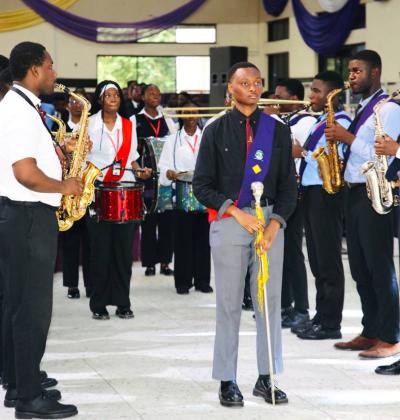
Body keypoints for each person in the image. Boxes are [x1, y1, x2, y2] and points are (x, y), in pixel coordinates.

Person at [193, 62, 297, 407]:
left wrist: (274, 223)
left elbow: (288, 187)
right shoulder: (215, 130)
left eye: (257, 82)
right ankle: (227, 379)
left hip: (269, 222)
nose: (253, 88)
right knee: (228, 304)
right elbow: (201, 185)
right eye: (244, 83)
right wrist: (234, 211)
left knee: (269, 303)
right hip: (230, 219)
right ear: (230, 90)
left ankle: (267, 377)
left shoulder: (277, 131)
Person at [0, 41, 81, 418]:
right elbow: (25, 174)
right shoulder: (17, 110)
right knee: (33, 310)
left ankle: (19, 384)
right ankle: (29, 399)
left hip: (21, 216)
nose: (54, 73)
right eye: (50, 66)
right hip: (28, 215)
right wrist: (66, 186)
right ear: (34, 69)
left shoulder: (22, 107)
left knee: (19, 306)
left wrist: (59, 151)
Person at [325, 50, 400, 359]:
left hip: (376, 193)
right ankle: (371, 330)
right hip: (354, 192)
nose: (351, 76)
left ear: (375, 72)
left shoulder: (390, 109)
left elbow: (387, 156)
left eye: (357, 70)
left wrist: (346, 138)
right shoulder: (363, 108)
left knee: (379, 267)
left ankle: (391, 336)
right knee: (359, 267)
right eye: (350, 71)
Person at [291, 71, 351, 340]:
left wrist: (301, 153)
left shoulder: (342, 121)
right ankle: (321, 315)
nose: (311, 95)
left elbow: (337, 157)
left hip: (328, 195)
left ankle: (331, 323)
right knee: (316, 259)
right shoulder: (320, 121)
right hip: (313, 193)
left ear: (331, 94)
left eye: (316, 90)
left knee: (327, 261)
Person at [86, 80, 152, 320]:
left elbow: (132, 158)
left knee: (123, 252)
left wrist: (139, 170)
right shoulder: (89, 123)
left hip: (124, 193)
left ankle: (123, 302)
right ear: (100, 99)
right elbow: (81, 157)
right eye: (108, 95)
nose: (113, 98)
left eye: (116, 94)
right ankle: (99, 304)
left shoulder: (128, 125)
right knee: (100, 252)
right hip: (98, 192)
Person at [274, 78, 316, 329]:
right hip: (281, 193)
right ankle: (285, 305)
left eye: (279, 97)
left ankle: (301, 307)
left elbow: (291, 149)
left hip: (297, 194)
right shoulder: (285, 121)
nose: (274, 102)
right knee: (282, 253)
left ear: (292, 100)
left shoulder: (307, 122)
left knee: (293, 253)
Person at [159, 102, 212, 295]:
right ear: (181, 115)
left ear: (199, 115)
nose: (191, 116)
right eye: (186, 112)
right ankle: (182, 282)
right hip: (182, 193)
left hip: (203, 193)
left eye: (195, 112)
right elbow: (163, 166)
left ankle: (203, 281)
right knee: (182, 240)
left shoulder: (207, 137)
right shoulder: (173, 140)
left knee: (203, 239)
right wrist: (169, 172)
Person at [133, 84, 176, 277]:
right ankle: (149, 263)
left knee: (167, 222)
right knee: (148, 222)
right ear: (143, 97)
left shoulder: (168, 119)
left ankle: (166, 262)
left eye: (158, 94)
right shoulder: (135, 120)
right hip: (146, 178)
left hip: (166, 178)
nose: (155, 96)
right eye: (151, 93)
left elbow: (175, 144)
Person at [60, 89, 92, 299]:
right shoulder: (59, 127)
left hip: (86, 190)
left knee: (91, 242)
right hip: (65, 190)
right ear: (67, 105)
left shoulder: (91, 128)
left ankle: (91, 284)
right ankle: (72, 284)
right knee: (69, 242)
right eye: (73, 101)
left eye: (81, 101)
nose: (77, 105)